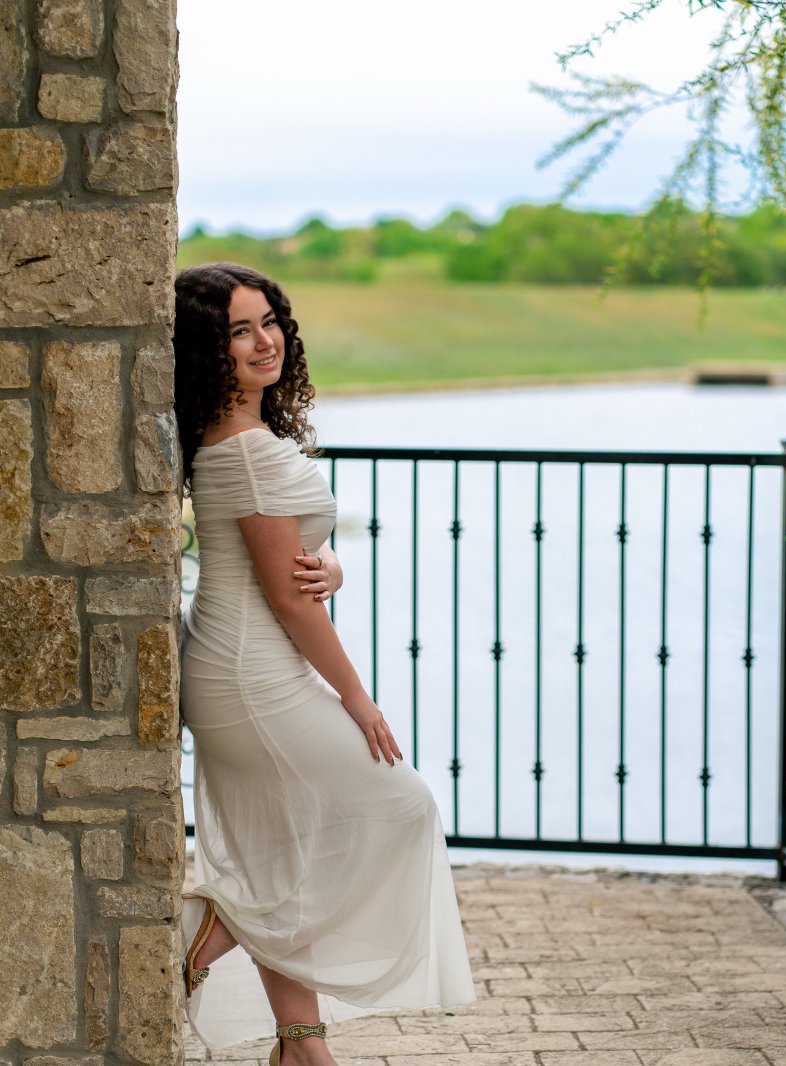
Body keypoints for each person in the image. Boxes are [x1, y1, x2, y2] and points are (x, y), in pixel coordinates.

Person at [173, 262, 475, 1064]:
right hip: (252, 673)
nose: (264, 340)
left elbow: (297, 563)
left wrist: (332, 562)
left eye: (269, 320)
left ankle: (301, 1048)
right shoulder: (245, 451)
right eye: (240, 329)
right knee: (398, 805)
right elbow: (290, 599)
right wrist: (360, 701)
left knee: (288, 840)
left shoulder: (238, 438)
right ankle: (210, 936)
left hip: (241, 665)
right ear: (209, 348)